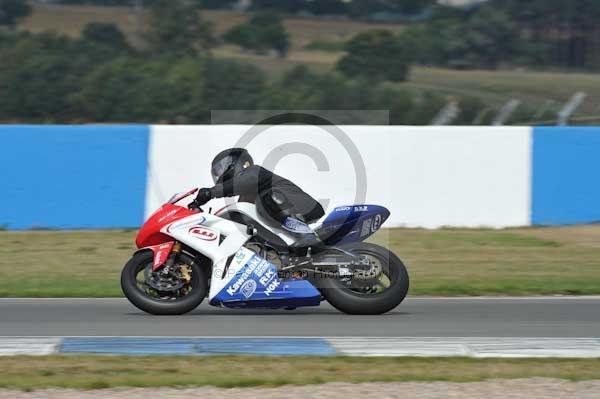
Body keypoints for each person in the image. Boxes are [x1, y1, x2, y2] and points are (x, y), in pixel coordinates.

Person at [189, 148, 325, 249]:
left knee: (269, 198)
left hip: (303, 206)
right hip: (285, 231)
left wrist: (211, 192)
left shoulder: (255, 172)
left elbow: (247, 180)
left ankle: (307, 236)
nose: (219, 176)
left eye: (220, 169)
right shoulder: (245, 199)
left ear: (235, 163)